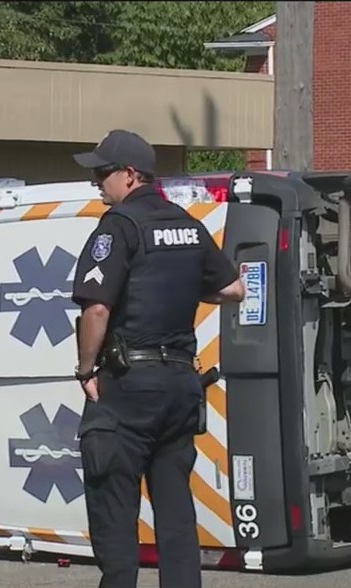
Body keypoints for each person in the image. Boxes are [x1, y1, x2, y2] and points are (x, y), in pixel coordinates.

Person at [70, 129, 245, 588]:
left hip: (129, 386)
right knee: (175, 513)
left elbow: (97, 307)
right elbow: (233, 288)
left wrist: (86, 369)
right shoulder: (187, 224)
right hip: (180, 387)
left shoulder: (120, 225)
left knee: (114, 506)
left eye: (102, 173)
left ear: (130, 175)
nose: (96, 182)